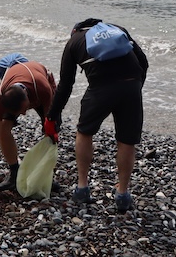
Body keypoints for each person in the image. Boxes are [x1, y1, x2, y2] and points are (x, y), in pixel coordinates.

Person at [45, 18, 149, 213]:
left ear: (75, 30)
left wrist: (52, 115)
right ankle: (123, 195)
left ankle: (82, 187)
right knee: (127, 141)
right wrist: (134, 89)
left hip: (101, 88)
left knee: (85, 132)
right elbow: (143, 63)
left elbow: (66, 85)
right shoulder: (119, 29)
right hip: (132, 84)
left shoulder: (74, 41)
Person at [0, 57, 57, 193]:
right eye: (20, 112)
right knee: (3, 129)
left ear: (28, 98)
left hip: (42, 86)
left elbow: (51, 117)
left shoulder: (43, 88)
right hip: (19, 88)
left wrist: (50, 124)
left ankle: (46, 176)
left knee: (50, 135)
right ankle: (14, 172)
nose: (24, 114)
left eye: (25, 109)